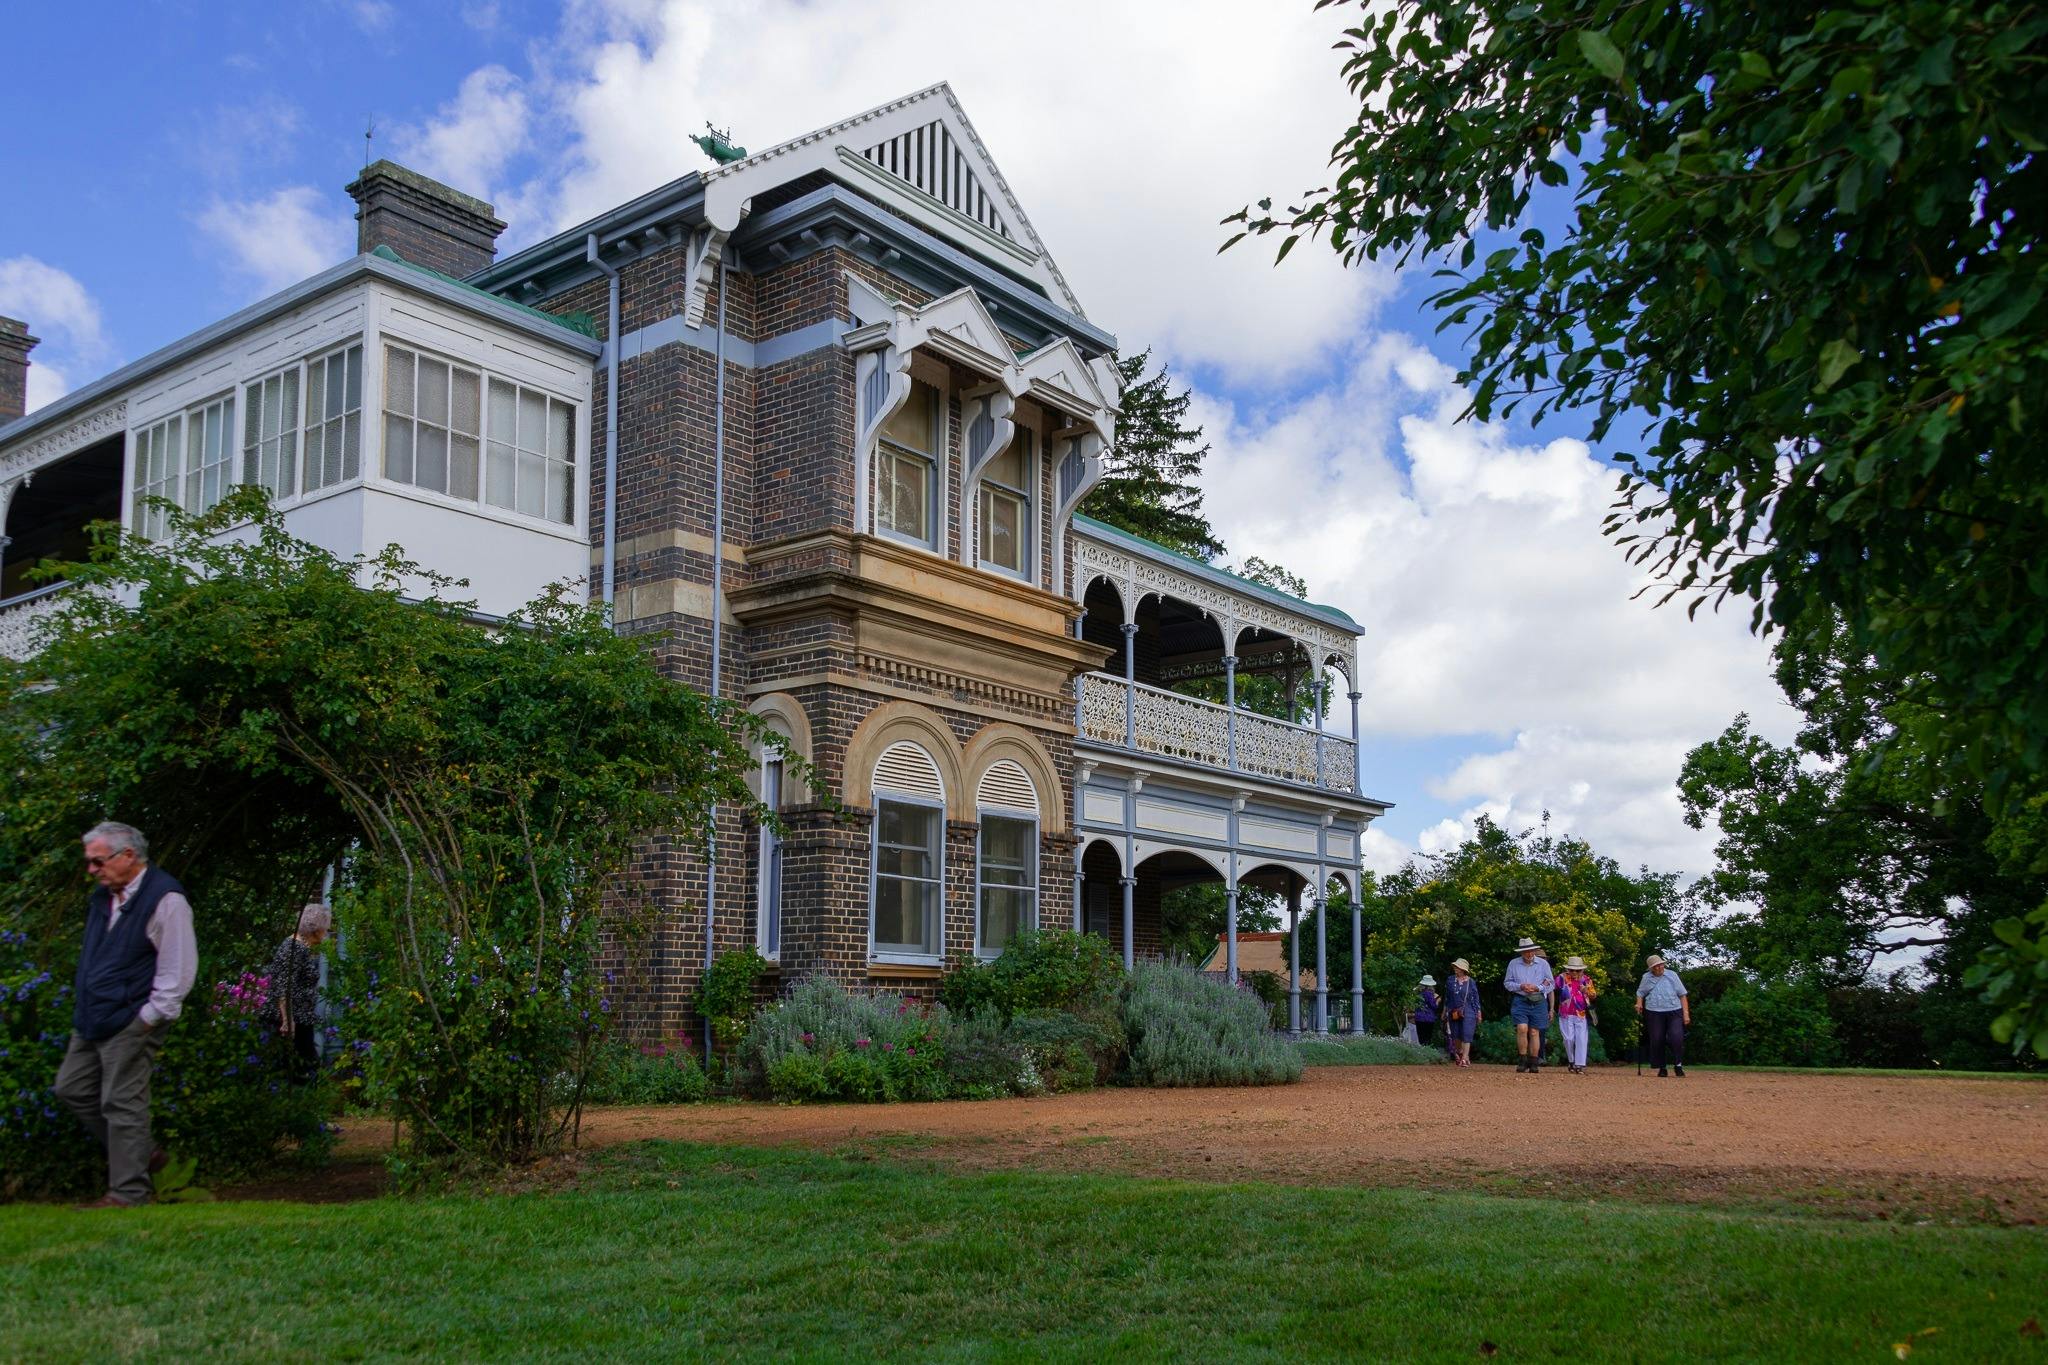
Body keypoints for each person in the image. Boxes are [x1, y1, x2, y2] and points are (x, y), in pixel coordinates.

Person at [53, 822, 197, 1208]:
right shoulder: (103, 899)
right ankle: (143, 1151)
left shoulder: (166, 899)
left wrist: (148, 1019)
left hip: (133, 1019)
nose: (92, 870)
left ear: (128, 856)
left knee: (122, 1102)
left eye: (98, 861)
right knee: (71, 1088)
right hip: (92, 1018)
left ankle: (128, 1193)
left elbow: (178, 971)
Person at [268, 904, 332, 1076]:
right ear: (316, 930)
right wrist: (288, 1021)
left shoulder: (300, 947)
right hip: (292, 1020)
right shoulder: (294, 948)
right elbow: (284, 985)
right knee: (300, 1069)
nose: (326, 933)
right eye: (325, 929)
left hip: (299, 1018)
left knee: (302, 1068)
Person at [1503, 937, 1553, 1074]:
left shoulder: (1543, 964)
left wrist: (1538, 988)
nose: (1529, 954)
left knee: (1534, 1031)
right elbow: (1507, 983)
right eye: (1526, 952)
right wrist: (1521, 986)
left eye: (1531, 951)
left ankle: (1534, 1061)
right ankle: (1522, 1059)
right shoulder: (1513, 964)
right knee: (1522, 1028)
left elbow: (1550, 983)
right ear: (1521, 953)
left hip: (1538, 1000)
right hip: (1521, 999)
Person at [1635, 953, 1691, 1077]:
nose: (1659, 967)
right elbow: (1640, 992)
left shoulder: (1672, 975)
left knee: (1676, 1037)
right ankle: (1662, 1066)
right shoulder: (1646, 977)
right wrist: (1639, 1003)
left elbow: (1682, 994)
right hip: (1654, 1011)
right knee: (1657, 1039)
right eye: (1655, 966)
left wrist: (1686, 1014)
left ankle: (1678, 1064)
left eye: (1660, 965)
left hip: (1674, 1010)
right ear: (1651, 968)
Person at [1556, 956, 1598, 1074]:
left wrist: (1586, 990)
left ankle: (1579, 1065)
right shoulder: (1562, 978)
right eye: (1571, 970)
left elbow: (1594, 995)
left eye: (1577, 970)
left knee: (1581, 1039)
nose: (1574, 972)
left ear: (1582, 970)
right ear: (1568, 969)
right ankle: (1571, 1060)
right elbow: (1552, 986)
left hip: (1580, 1013)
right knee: (1568, 1039)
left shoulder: (1586, 980)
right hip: (1565, 1013)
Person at [1442, 959, 1482, 1068]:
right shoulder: (1450, 980)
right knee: (1456, 1035)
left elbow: (1475, 998)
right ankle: (1460, 1052)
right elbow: (1447, 997)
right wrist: (1444, 1011)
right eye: (1455, 966)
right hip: (1453, 1010)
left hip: (1468, 1010)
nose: (1455, 968)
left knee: (1467, 1033)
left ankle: (1464, 1057)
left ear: (1463, 969)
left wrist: (1478, 1012)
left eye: (1458, 967)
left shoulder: (1471, 982)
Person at [1413, 974, 1440, 1049]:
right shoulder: (1429, 993)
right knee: (1427, 1038)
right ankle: (1426, 1053)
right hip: (1428, 1018)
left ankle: (1422, 1053)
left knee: (1421, 1037)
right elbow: (1434, 1006)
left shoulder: (1418, 993)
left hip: (1419, 1017)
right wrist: (1437, 1000)